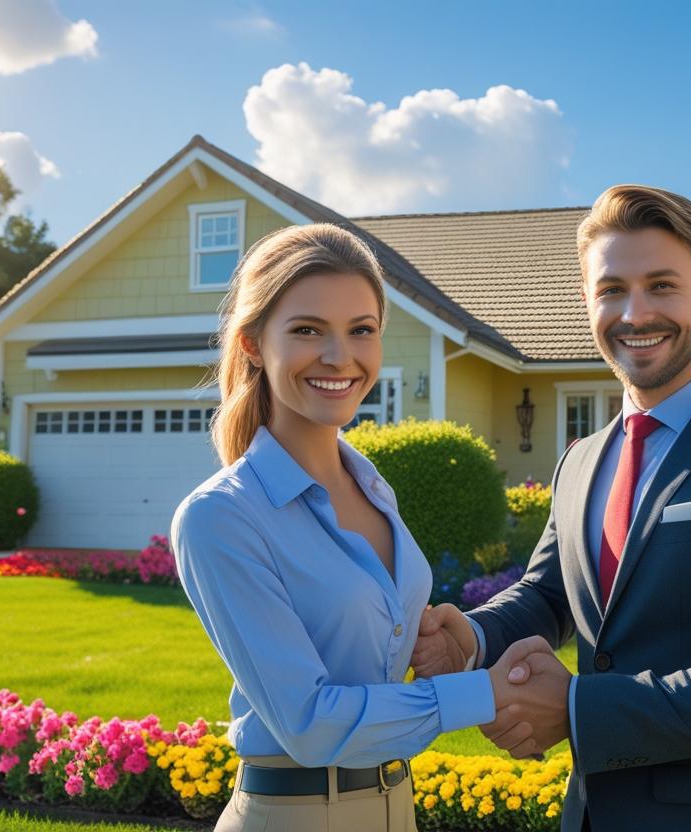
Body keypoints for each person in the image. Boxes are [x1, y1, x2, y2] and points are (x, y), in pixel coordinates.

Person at [411, 186, 691, 831]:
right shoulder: (582, 459)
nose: (635, 312)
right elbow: (551, 594)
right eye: (611, 289)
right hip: (591, 812)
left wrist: (576, 710)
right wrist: (474, 635)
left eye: (662, 285)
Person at [171, 223, 550, 832]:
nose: (338, 356)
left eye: (361, 330)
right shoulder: (222, 516)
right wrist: (484, 693)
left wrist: (436, 647)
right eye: (306, 330)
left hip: (395, 805)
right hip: (294, 815)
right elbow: (312, 725)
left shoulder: (372, 485)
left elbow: (370, 651)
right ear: (250, 343)